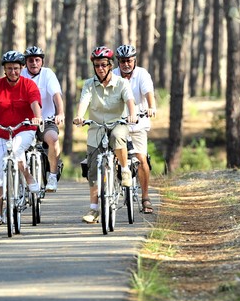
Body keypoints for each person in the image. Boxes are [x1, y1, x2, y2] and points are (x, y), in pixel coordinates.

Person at [73, 46, 137, 224]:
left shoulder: (121, 83)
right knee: (93, 170)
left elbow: (130, 101)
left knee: (117, 137)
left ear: (110, 65)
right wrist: (79, 116)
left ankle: (124, 169)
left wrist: (131, 115)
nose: (100, 68)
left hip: (118, 123)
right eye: (97, 65)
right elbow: (84, 101)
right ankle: (94, 209)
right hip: (96, 128)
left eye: (103, 65)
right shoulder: (89, 84)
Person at [0, 50, 43, 225]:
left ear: (22, 68)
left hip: (24, 128)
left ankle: (28, 176)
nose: (13, 72)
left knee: (16, 149)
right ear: (4, 70)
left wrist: (37, 117)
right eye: (9, 69)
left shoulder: (28, 85)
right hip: (2, 131)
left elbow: (35, 104)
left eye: (16, 68)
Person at [115, 44, 157, 214]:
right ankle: (109, 192)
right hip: (118, 122)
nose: (126, 64)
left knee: (141, 158)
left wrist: (151, 107)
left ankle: (145, 197)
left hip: (138, 122)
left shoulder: (142, 74)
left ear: (134, 61)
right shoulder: (113, 76)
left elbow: (148, 93)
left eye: (129, 61)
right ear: (118, 62)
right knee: (113, 156)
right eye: (123, 61)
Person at [21, 46, 65, 192]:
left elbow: (56, 95)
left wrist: (60, 113)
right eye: (30, 60)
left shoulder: (47, 74)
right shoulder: (20, 75)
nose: (34, 63)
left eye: (37, 60)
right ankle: (16, 180)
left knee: (53, 139)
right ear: (25, 62)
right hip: (24, 122)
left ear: (42, 62)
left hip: (46, 120)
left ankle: (52, 175)